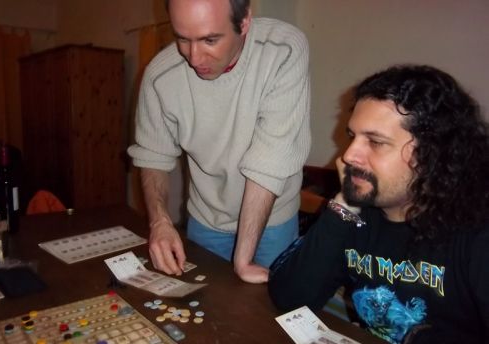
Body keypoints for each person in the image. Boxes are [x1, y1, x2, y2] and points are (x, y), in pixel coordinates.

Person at [268, 65, 489, 343]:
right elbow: (290, 298)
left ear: (431, 155)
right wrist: (344, 204)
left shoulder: (477, 232)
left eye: (375, 141)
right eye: (353, 137)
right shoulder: (356, 213)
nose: (349, 156)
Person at [128, 0, 311, 283]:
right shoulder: (159, 76)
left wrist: (243, 258)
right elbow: (153, 156)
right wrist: (160, 222)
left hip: (274, 221)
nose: (194, 58)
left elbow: (270, 161)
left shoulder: (284, 50)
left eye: (210, 40)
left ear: (245, 20)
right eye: (182, 39)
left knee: (268, 317)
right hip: (206, 220)